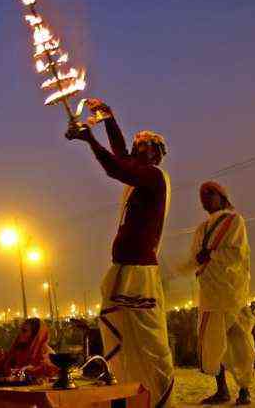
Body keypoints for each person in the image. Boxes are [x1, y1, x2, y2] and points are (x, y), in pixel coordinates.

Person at [66, 98, 175, 407]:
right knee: (121, 332)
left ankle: (160, 395)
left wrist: (89, 138)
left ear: (155, 153)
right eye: (136, 145)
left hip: (140, 273)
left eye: (142, 146)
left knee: (148, 340)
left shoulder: (152, 177)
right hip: (124, 267)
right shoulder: (139, 175)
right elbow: (121, 157)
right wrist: (109, 119)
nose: (136, 149)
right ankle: (129, 392)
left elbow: (117, 166)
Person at [180, 181, 255, 405]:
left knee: (240, 343)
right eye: (202, 194)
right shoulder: (201, 229)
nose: (204, 197)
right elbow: (194, 256)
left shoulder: (235, 221)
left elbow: (236, 254)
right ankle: (221, 389)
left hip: (232, 293)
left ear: (222, 197)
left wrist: (210, 255)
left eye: (209, 193)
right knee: (213, 344)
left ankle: (244, 391)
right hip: (209, 294)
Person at [0, 318, 59, 383]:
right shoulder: (18, 350)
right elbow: (2, 370)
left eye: (24, 331)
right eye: (20, 330)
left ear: (34, 334)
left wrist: (29, 370)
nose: (20, 334)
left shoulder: (46, 353)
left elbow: (51, 372)